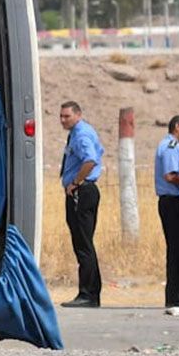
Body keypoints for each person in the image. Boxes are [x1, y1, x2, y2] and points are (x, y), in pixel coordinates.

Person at [58, 101, 104, 308]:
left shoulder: (81, 134)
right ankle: (92, 292)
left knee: (83, 244)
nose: (63, 120)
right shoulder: (80, 132)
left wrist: (76, 182)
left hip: (81, 192)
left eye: (66, 116)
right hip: (83, 191)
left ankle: (87, 293)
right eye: (61, 116)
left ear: (78, 114)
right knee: (84, 243)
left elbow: (90, 160)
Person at [155, 115, 179, 308]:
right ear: (178, 127)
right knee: (178, 250)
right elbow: (171, 176)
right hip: (174, 202)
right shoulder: (170, 147)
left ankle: (178, 294)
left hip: (176, 201)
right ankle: (175, 296)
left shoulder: (176, 147)